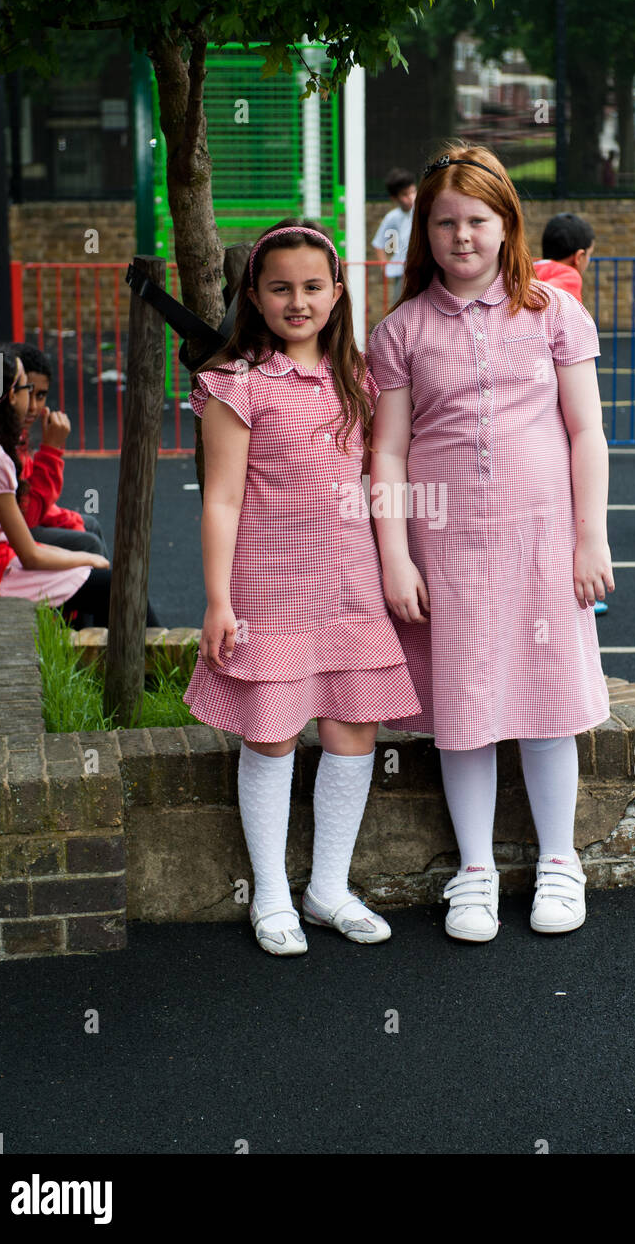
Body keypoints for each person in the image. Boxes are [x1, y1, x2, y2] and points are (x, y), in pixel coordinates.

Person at [366, 141, 614, 945]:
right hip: (447, 551)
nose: (460, 237)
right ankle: (474, 871)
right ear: (423, 232)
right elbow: (389, 451)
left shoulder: (553, 312)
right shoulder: (400, 330)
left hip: (542, 542)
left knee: (546, 709)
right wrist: (395, 555)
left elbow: (587, 433)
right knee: (461, 713)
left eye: (476, 220)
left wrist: (590, 538)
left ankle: (559, 860)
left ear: (506, 224)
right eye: (443, 223)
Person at [183, 218, 421, 958]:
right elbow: (220, 498)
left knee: (353, 729)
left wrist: (393, 563)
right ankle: (273, 895)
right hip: (267, 584)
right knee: (273, 731)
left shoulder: (359, 374)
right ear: (253, 295)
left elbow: (381, 477)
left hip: (349, 580)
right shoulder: (235, 383)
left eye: (312, 287)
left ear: (337, 291)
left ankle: (327, 889)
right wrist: (218, 599)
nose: (297, 301)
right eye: (280, 287)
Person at [0, 347, 111, 623]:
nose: (31, 401)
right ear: (9, 395)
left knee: (93, 554)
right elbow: (28, 545)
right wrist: (88, 560)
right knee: (108, 581)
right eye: (26, 388)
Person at [533, 214, 607, 615]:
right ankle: (580, 584)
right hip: (555, 397)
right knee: (572, 498)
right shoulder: (567, 283)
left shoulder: (526, 270)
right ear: (580, 257)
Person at [6, 342, 111, 557]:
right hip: (3, 539)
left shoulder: (18, 436)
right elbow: (28, 517)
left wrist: (68, 519)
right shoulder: (1, 441)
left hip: (18, 524)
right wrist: (51, 450)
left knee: (88, 524)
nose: (33, 406)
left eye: (41, 396)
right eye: (28, 392)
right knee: (88, 544)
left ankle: (115, 590)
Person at [371, 168, 416, 307]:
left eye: (413, 191)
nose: (411, 198)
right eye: (405, 194)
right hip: (403, 272)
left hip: (423, 268)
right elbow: (378, 244)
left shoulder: (424, 210)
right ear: (394, 198)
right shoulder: (393, 217)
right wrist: (386, 267)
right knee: (400, 308)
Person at [533, 212, 595, 301]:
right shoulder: (570, 277)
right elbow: (543, 295)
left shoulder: (527, 269)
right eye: (589, 254)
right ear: (579, 257)